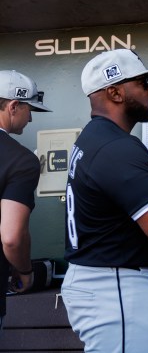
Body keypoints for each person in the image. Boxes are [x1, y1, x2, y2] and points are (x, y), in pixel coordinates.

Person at [61, 49, 148, 353]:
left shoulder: (95, 138)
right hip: (115, 287)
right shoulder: (116, 147)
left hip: (106, 282)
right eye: (143, 83)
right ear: (115, 92)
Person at [0, 70, 52, 331]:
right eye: (29, 109)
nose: (30, 117)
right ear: (13, 106)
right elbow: (11, 236)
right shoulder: (20, 159)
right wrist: (24, 272)